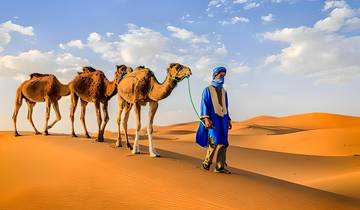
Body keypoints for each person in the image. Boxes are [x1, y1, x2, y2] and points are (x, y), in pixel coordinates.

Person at [196, 66, 232, 174]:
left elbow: (226, 106)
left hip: (223, 119)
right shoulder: (207, 90)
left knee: (224, 143)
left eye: (224, 76)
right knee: (214, 140)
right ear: (215, 75)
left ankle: (220, 166)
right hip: (213, 118)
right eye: (221, 75)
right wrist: (206, 118)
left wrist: (228, 119)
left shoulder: (224, 92)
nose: (222, 78)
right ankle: (206, 163)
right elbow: (204, 104)